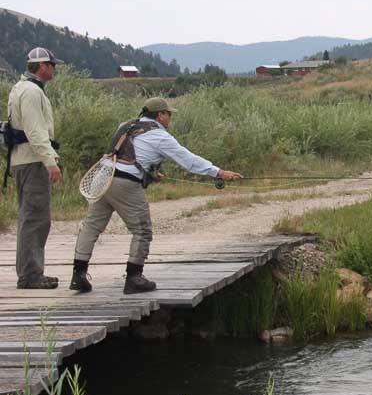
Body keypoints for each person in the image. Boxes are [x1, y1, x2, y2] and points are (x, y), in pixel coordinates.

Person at [70, 97, 242, 294]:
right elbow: (189, 161)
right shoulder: (160, 136)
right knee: (142, 230)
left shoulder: (125, 125)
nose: (170, 118)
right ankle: (134, 278)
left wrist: (149, 174)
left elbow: (128, 154)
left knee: (91, 226)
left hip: (103, 178)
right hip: (125, 183)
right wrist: (219, 172)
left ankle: (78, 275)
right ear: (160, 115)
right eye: (169, 114)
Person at [6, 47, 63, 289]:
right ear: (42, 66)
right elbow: (35, 131)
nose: (54, 69)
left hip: (23, 159)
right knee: (36, 218)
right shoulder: (31, 91)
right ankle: (30, 275)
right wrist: (50, 161)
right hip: (32, 160)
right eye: (52, 65)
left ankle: (31, 272)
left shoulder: (20, 87)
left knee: (30, 217)